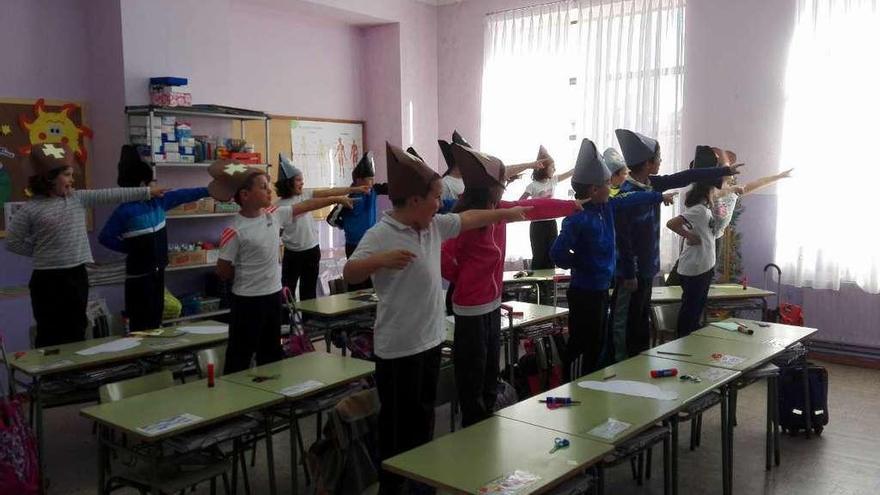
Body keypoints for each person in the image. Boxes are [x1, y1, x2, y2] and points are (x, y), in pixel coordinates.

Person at [343, 143, 531, 494]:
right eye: (436, 197)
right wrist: (379, 260)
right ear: (414, 200)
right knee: (397, 425)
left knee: (424, 418)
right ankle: (393, 485)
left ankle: (420, 484)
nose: (440, 204)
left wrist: (508, 213)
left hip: (429, 341)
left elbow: (470, 218)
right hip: (398, 349)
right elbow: (351, 271)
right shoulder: (380, 234)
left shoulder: (432, 227)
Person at [442, 143, 583, 427]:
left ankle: (489, 424)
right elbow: (445, 259)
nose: (505, 186)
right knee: (473, 374)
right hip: (470, 309)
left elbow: (536, 207)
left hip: (493, 304)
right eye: (501, 183)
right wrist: (468, 281)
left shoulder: (500, 210)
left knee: (490, 371)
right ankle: (473, 430)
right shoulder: (464, 219)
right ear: (488, 188)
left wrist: (571, 206)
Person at [6, 143, 162, 347]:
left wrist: (146, 193)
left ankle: (75, 374)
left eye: (72, 174)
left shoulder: (77, 199)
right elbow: (13, 242)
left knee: (77, 327)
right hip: (47, 279)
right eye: (67, 175)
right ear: (49, 177)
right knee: (50, 330)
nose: (72, 180)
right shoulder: (30, 209)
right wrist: (43, 252)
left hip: (76, 274)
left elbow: (111, 195)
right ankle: (51, 374)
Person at [211, 160, 352, 373]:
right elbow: (222, 270)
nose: (269, 190)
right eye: (263, 187)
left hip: (273, 296)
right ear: (245, 195)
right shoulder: (235, 230)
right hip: (247, 300)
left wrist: (336, 198)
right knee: (240, 354)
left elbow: (305, 206)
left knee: (271, 354)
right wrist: (248, 274)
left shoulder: (274, 214)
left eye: (268, 185)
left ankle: (271, 401)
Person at [551, 138, 675, 377]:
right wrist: (582, 263)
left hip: (600, 290)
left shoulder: (606, 207)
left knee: (597, 343)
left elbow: (631, 198)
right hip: (583, 292)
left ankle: (592, 388)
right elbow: (557, 254)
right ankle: (574, 387)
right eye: (608, 183)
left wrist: (658, 197)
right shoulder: (576, 218)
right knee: (581, 345)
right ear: (593, 190)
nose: (612, 186)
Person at [613, 129, 742, 356]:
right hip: (630, 272)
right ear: (647, 163)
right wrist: (628, 272)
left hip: (646, 267)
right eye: (659, 158)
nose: (661, 162)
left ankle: (639, 362)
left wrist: (723, 170)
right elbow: (623, 239)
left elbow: (685, 176)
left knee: (642, 319)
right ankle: (621, 363)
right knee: (628, 321)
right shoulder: (628, 192)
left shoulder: (652, 183)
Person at [99, 145, 211, 331]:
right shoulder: (125, 211)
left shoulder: (159, 202)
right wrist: (131, 248)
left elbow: (184, 194)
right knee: (141, 323)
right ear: (143, 185)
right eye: (152, 182)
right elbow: (105, 237)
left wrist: (209, 190)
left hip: (158, 272)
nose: (156, 185)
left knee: (156, 318)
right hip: (139, 277)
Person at [276, 153, 366, 302]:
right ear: (288, 182)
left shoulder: (305, 194)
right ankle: (287, 322)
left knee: (309, 291)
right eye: (298, 180)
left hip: (311, 251)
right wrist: (339, 199)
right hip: (292, 254)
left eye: (302, 180)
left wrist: (355, 189)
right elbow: (322, 200)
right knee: (287, 290)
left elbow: (329, 192)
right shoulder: (279, 207)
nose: (302, 183)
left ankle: (309, 322)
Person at [519, 145, 576, 270]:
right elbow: (520, 202)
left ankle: (549, 285)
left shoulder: (553, 181)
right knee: (539, 255)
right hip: (537, 225)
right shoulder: (532, 186)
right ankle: (538, 285)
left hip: (551, 223)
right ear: (543, 169)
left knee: (551, 254)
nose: (554, 169)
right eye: (552, 167)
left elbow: (570, 173)